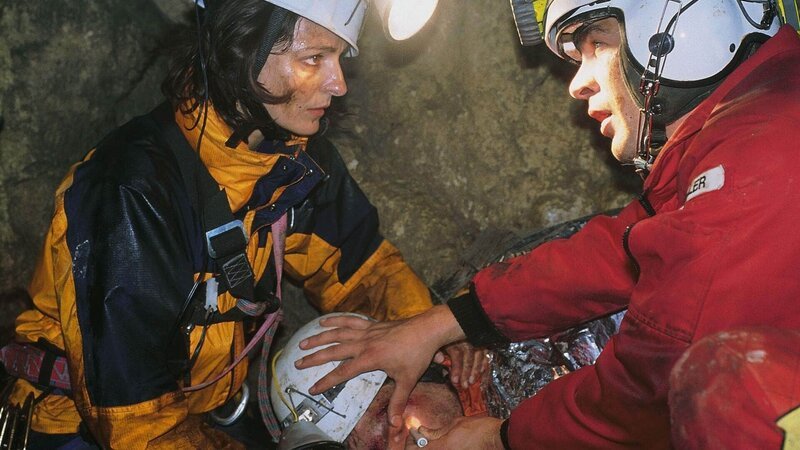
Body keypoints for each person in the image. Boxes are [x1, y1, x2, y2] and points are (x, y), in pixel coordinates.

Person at [295, 0, 800, 448]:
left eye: (595, 45)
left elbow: (650, 386)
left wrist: (501, 439)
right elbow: (620, 251)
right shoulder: (749, 126)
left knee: (731, 400)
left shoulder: (755, 165)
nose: (577, 83)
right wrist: (443, 322)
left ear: (683, 28)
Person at [0, 0, 477, 448]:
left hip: (206, 411)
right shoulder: (132, 191)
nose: (338, 84)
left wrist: (434, 336)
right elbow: (135, 423)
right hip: (79, 427)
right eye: (314, 58)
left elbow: (365, 272)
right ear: (240, 50)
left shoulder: (290, 161)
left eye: (339, 57)